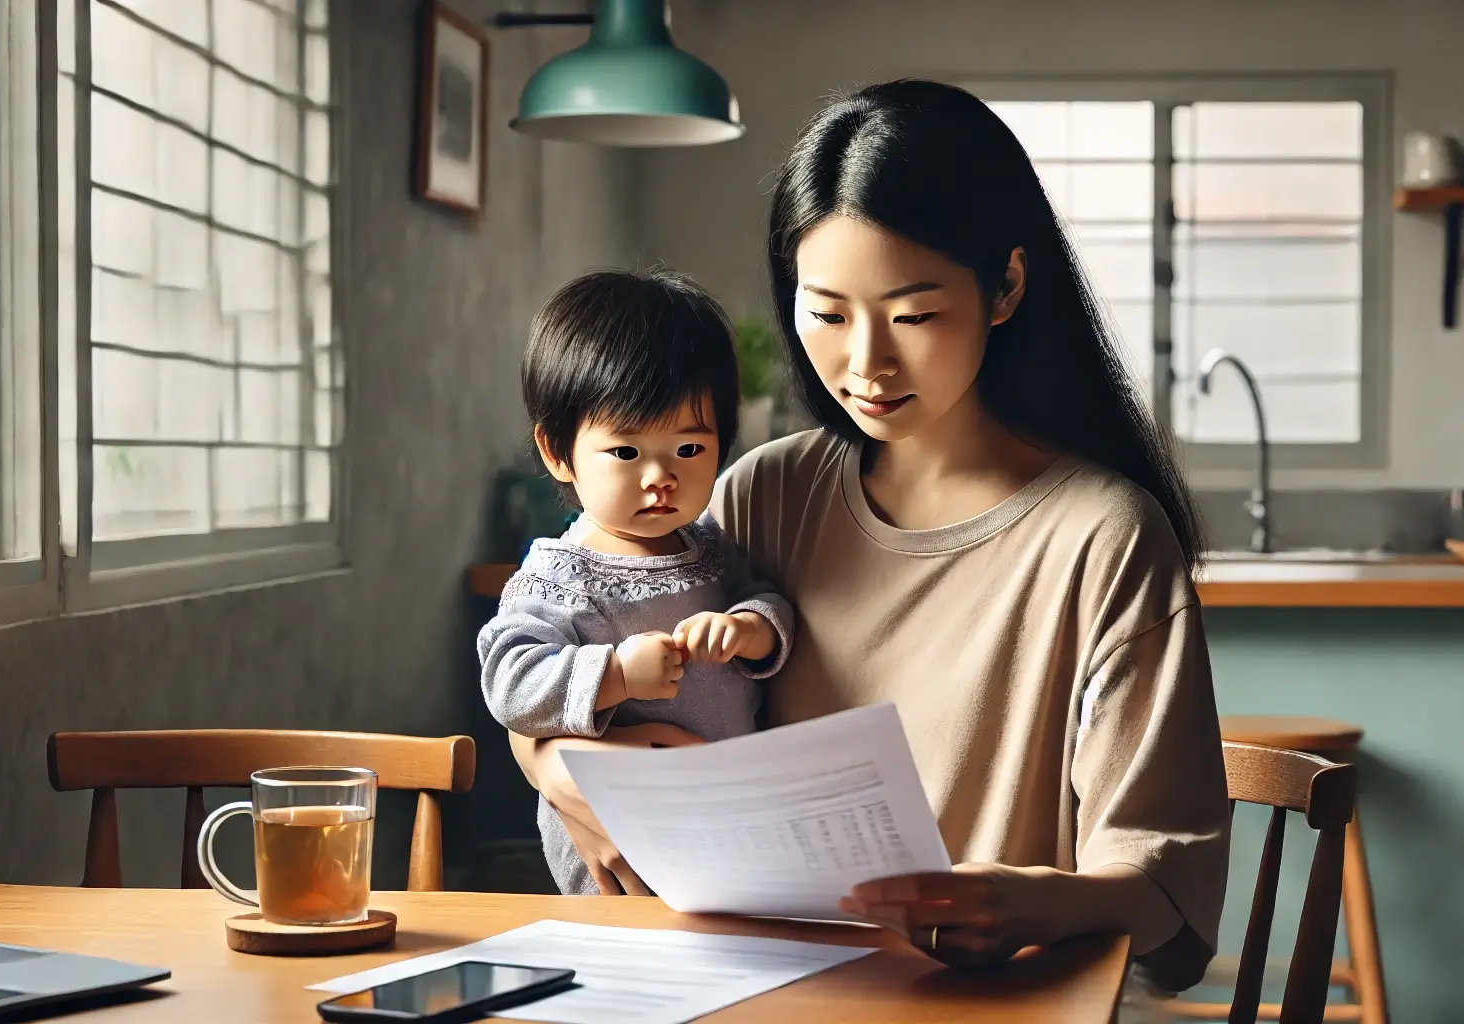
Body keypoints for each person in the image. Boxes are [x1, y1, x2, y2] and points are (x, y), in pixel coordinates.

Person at [508, 79, 1228, 992]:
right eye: (828, 312)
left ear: (1005, 286)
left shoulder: (1104, 536)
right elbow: (553, 673)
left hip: (988, 1003)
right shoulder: (764, 492)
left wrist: (1036, 902)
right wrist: (554, 766)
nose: (867, 363)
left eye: (915, 315)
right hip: (752, 989)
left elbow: (1167, 895)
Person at [480, 268, 795, 897]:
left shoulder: (708, 547)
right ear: (557, 451)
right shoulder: (560, 575)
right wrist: (616, 674)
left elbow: (768, 601)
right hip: (618, 840)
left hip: (726, 829)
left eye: (688, 450)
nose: (660, 478)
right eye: (626, 453)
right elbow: (509, 680)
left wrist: (750, 630)